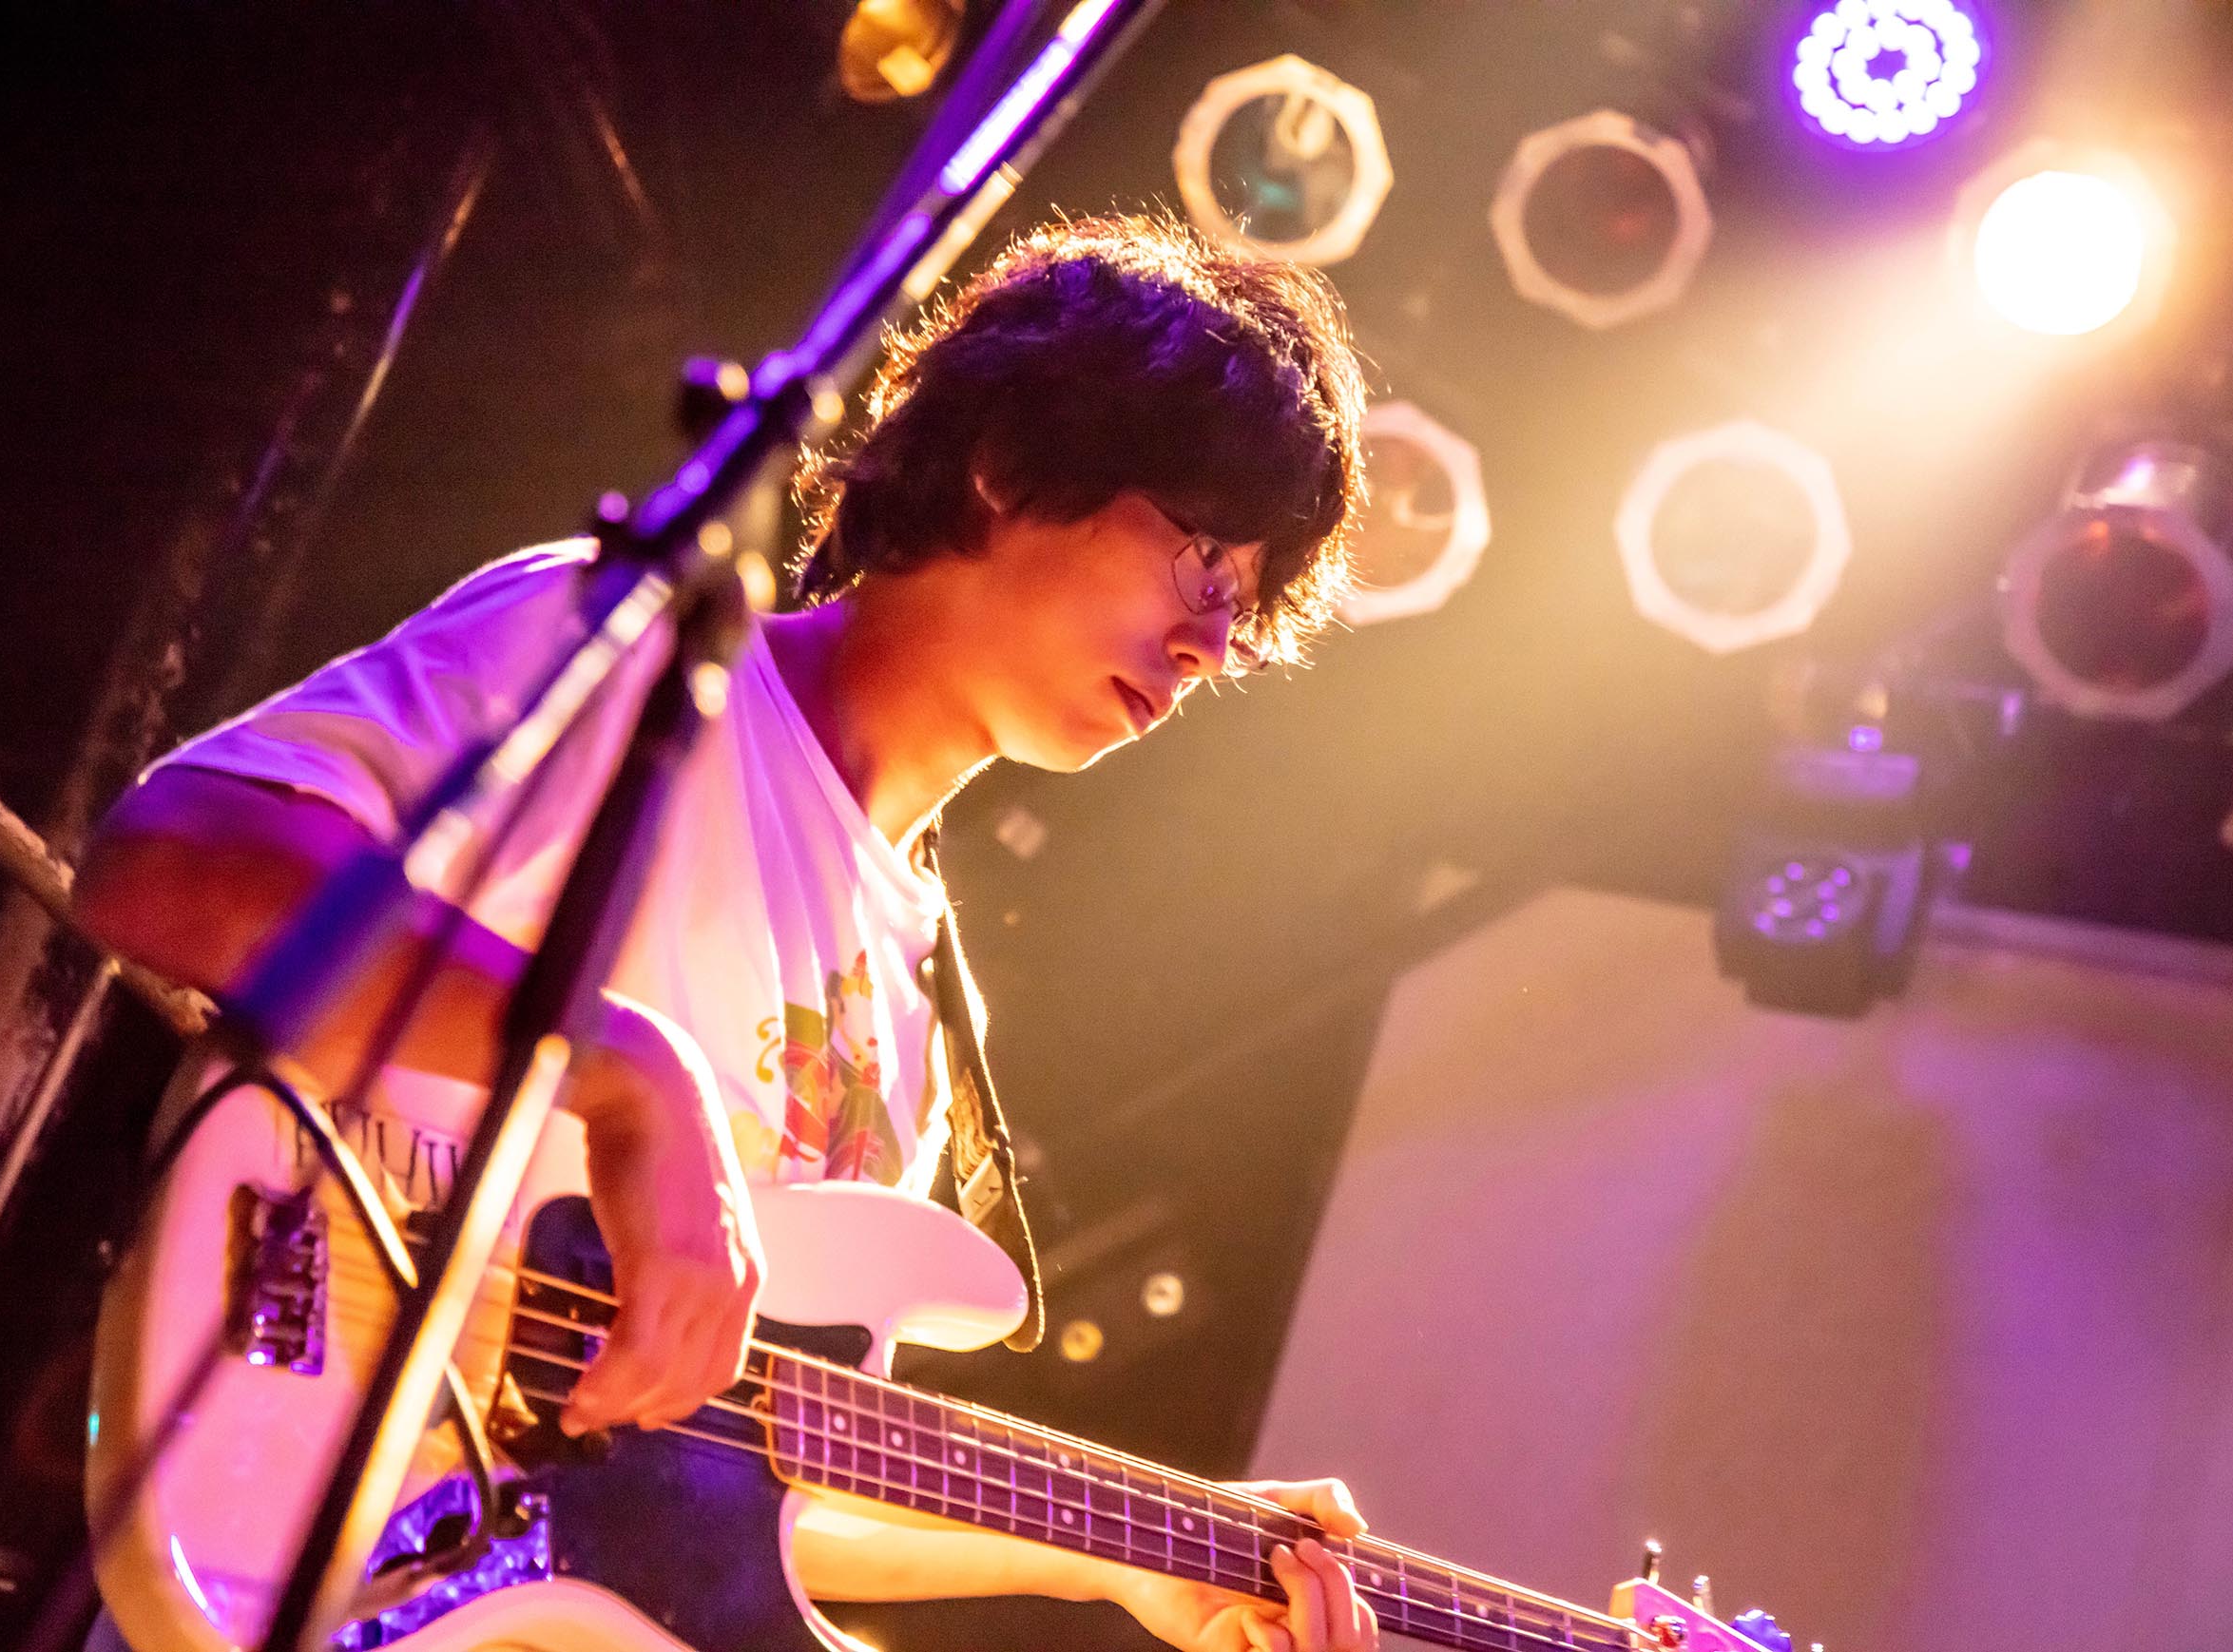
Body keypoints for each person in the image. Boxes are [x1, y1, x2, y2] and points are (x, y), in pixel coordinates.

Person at [76, 212, 1377, 1652]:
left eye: (1246, 608)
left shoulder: (918, 1014)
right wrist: (622, 1068)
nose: (1213, 644)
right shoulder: (633, 658)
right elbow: (169, 865)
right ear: (1012, 463)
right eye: (1202, 560)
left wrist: (1118, 1559)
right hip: (287, 1541)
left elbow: (726, 1477)